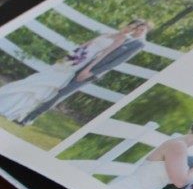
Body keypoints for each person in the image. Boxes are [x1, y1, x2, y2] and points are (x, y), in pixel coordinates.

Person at [0, 19, 151, 125]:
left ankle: (26, 117)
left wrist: (89, 71)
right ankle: (20, 109)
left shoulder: (134, 43)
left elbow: (107, 57)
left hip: (88, 68)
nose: (134, 30)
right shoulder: (114, 34)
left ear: (145, 31)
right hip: (77, 61)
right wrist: (70, 56)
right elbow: (89, 43)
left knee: (57, 93)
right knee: (46, 83)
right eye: (133, 27)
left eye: (138, 29)